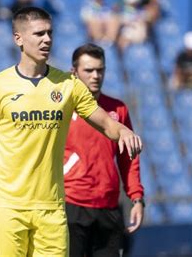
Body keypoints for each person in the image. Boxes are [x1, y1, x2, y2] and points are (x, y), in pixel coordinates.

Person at [0, 6, 143, 257]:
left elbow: (107, 123)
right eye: (39, 34)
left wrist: (124, 131)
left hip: (51, 207)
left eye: (50, 33)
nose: (47, 40)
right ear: (18, 38)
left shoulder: (68, 84)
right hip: (9, 205)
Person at [64, 43, 144, 257]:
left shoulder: (118, 109)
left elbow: (129, 159)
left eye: (100, 70)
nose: (95, 75)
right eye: (89, 70)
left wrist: (136, 197)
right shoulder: (62, 109)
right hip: (71, 205)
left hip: (108, 207)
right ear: (74, 72)